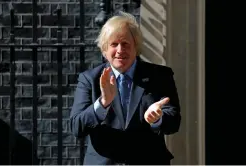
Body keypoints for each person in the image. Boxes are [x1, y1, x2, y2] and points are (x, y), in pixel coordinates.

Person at [70, 11, 181, 165]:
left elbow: (174, 122)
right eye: (114, 44)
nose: (120, 50)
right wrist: (102, 104)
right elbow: (77, 127)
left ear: (136, 47)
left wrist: (158, 118)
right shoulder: (89, 79)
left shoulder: (159, 76)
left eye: (126, 44)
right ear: (104, 50)